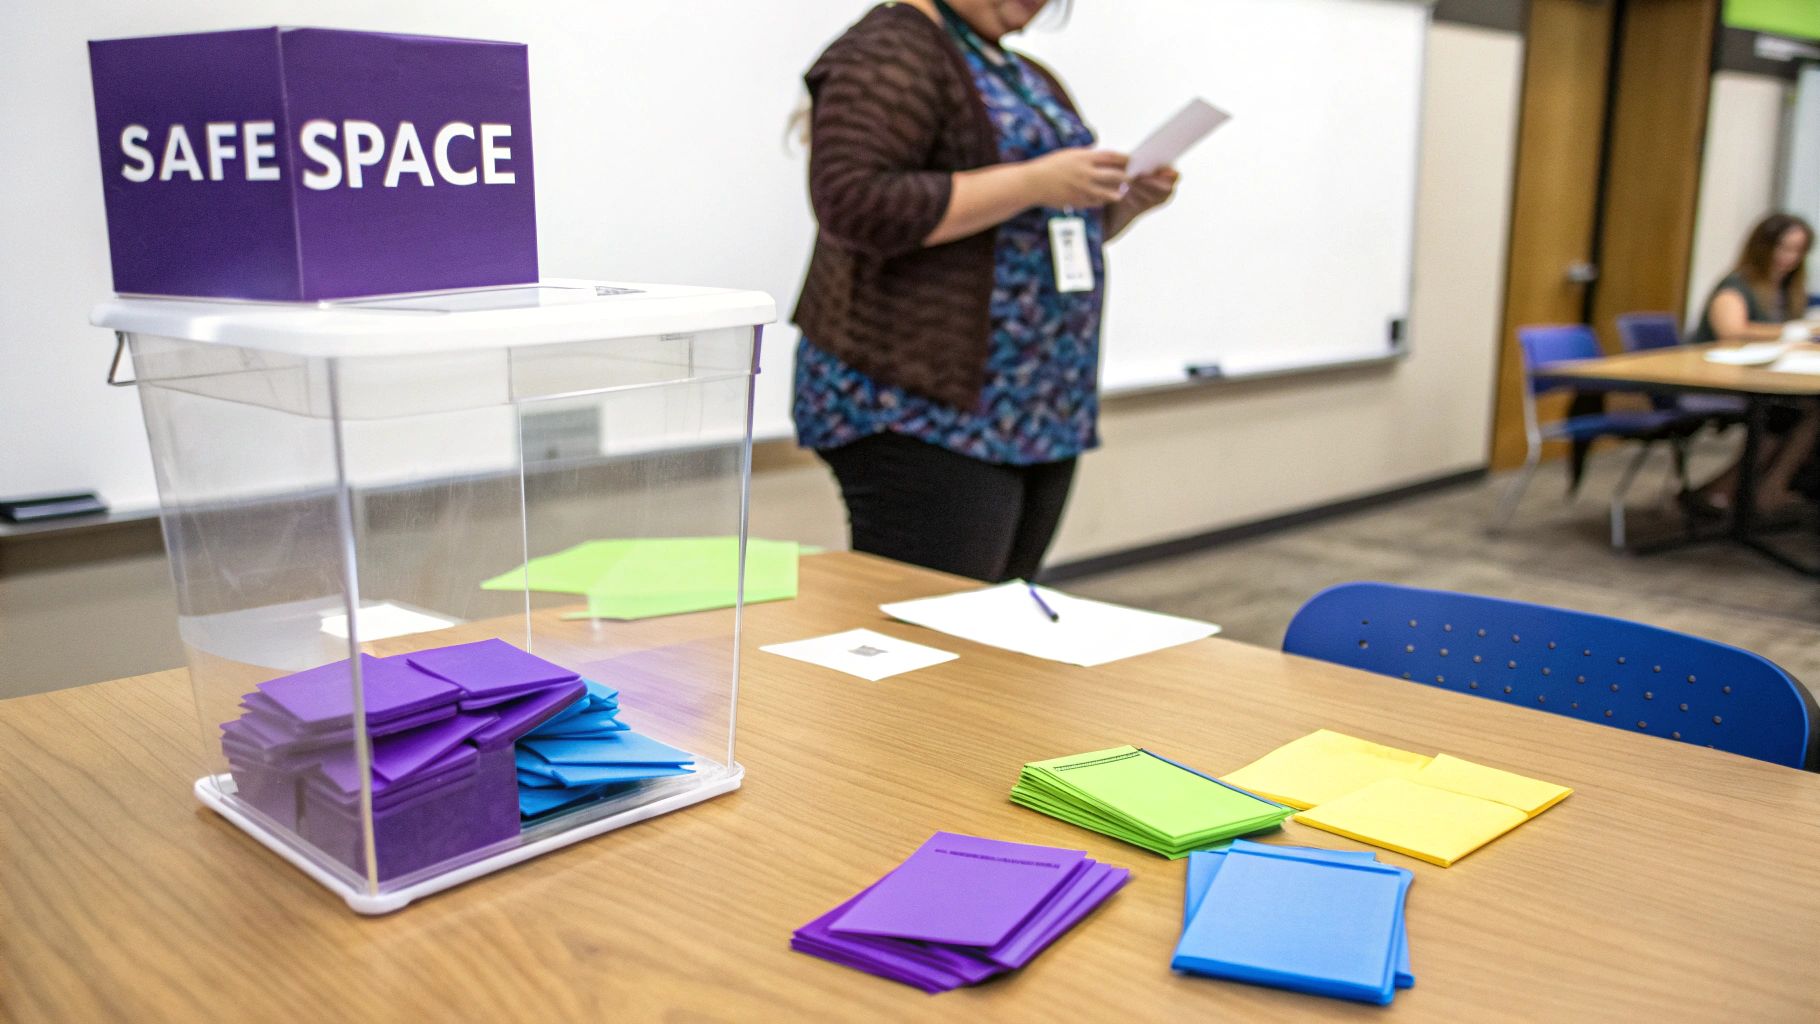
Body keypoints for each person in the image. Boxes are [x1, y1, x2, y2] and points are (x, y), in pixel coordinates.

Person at [791, 0, 1181, 582]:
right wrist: (1031, 182)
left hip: (1034, 408)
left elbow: (1039, 232)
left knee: (996, 622)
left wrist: (1125, 202)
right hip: (919, 405)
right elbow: (853, 203)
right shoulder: (890, 46)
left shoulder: (1019, 71)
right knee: (931, 629)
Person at [1685, 213, 1818, 519]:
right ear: (1763, 246)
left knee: (1808, 407)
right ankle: (1729, 491)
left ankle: (1766, 488)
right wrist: (1791, 333)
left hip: (1763, 380)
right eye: (1784, 248)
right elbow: (1731, 330)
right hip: (1718, 380)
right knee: (1785, 412)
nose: (1790, 258)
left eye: (1798, 251)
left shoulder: (1784, 291)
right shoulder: (1736, 285)